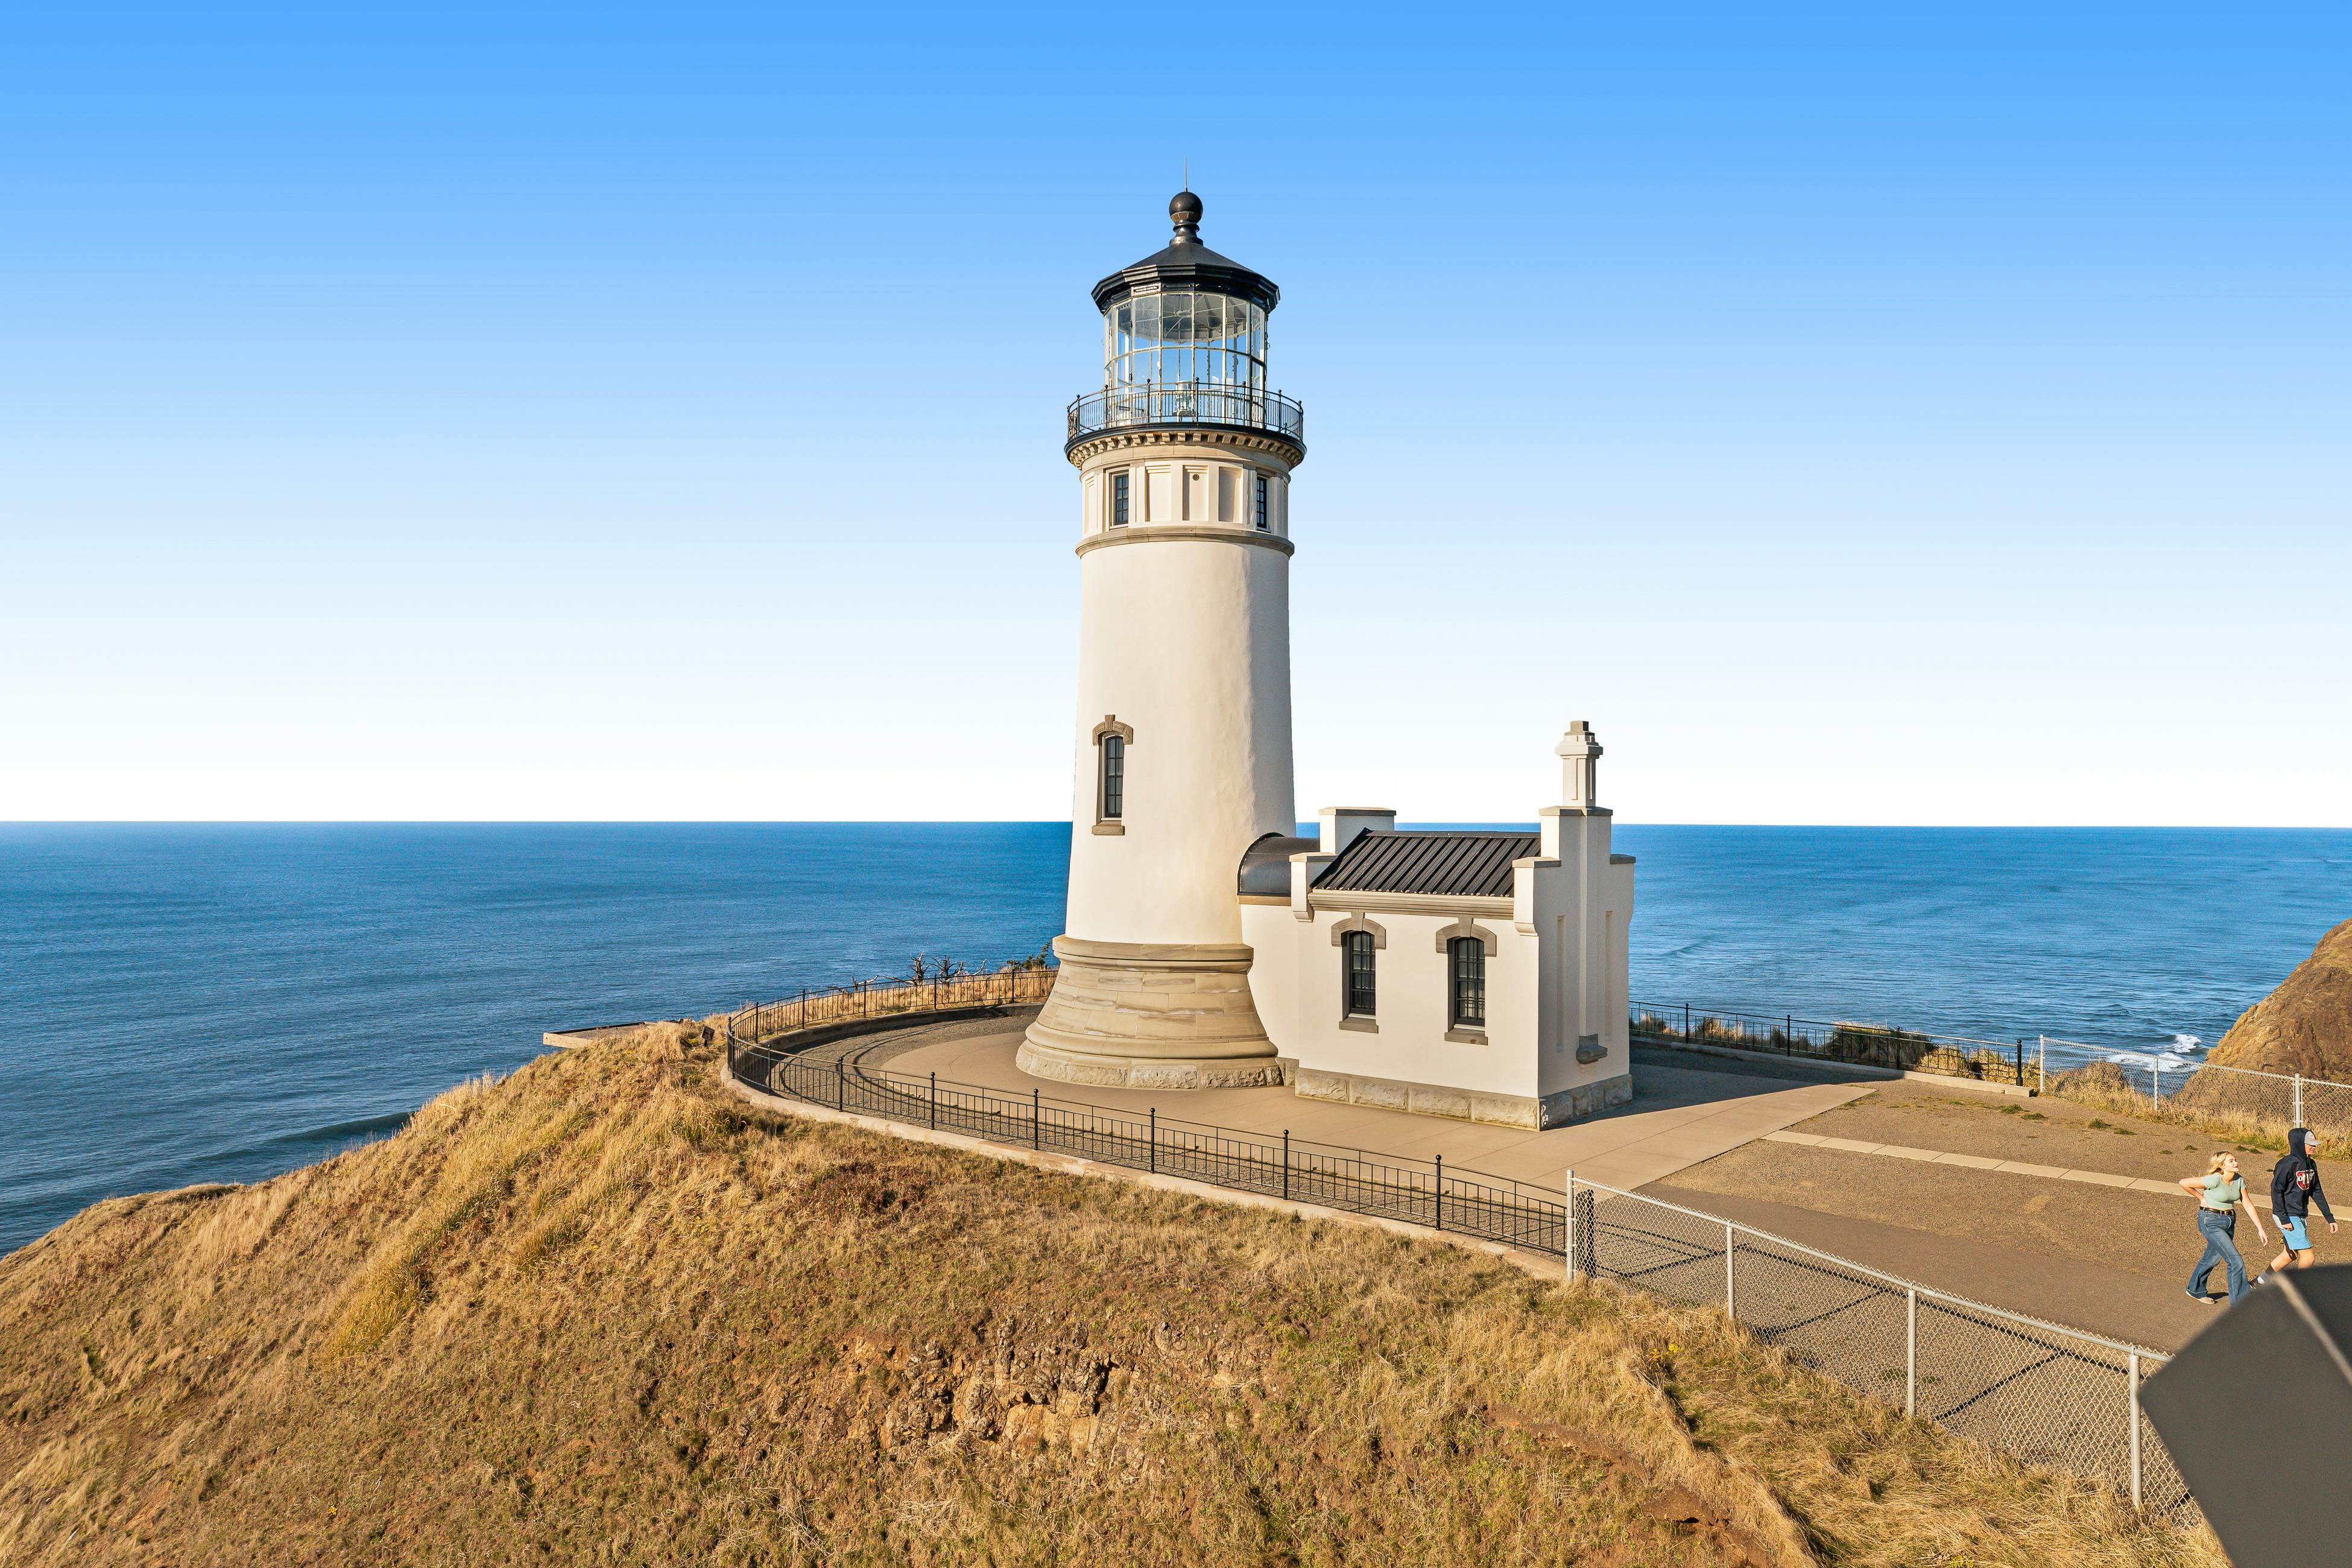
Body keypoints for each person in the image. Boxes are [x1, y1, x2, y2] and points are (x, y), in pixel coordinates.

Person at [2180, 1151, 2267, 1305]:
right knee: (2235, 1261)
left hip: (2229, 1221)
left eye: (2236, 1160)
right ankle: (2242, 1304)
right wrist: (2202, 1198)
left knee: (2213, 1257)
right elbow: (2184, 1183)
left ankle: (2195, 1288)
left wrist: (2260, 1228)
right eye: (2231, 1161)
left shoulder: (2239, 1180)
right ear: (2222, 1166)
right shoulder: (2215, 1179)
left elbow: (2247, 1204)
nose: (2236, 1163)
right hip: (2211, 1221)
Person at [2258, 1126, 2337, 1283]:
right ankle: (2301, 1291)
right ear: (2299, 1143)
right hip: (2287, 1214)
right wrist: (2284, 1218)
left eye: (2315, 1143)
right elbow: (2276, 1191)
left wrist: (2330, 1217)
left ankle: (2258, 1283)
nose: (2314, 1146)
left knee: (2291, 1254)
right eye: (2310, 1143)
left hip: (2299, 1214)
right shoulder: (2287, 1165)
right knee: (2308, 1256)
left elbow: (2317, 1192)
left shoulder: (2311, 1165)